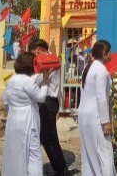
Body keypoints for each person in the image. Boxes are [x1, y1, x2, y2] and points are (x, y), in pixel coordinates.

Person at [2, 52, 51, 176]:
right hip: (28, 122)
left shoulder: (11, 80)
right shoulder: (27, 81)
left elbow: (5, 102)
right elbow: (40, 97)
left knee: (16, 152)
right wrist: (45, 81)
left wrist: (15, 111)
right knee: (34, 155)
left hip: (14, 122)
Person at [30, 39, 69, 176]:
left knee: (50, 136)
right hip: (45, 101)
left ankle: (61, 169)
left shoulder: (49, 60)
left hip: (48, 101)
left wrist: (27, 80)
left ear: (39, 50)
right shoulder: (46, 59)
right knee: (45, 137)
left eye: (34, 54)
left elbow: (38, 80)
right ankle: (58, 167)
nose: (34, 57)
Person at [78, 40, 116, 176]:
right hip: (97, 117)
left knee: (89, 152)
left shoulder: (89, 67)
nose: (111, 55)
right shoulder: (101, 70)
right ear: (104, 53)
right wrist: (106, 122)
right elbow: (101, 98)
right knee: (105, 153)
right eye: (109, 52)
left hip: (85, 115)